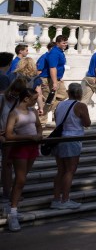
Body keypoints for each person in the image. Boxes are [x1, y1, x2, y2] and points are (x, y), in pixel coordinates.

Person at [4, 88, 41, 232]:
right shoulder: (14, 113)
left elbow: (38, 126)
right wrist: (29, 137)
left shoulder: (33, 112)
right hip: (20, 148)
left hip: (32, 147)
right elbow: (9, 134)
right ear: (26, 98)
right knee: (20, 180)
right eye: (33, 98)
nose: (35, 101)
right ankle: (12, 212)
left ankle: (12, 208)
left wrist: (38, 135)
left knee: (22, 179)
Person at [50, 83, 90, 210]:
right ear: (79, 93)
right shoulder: (81, 105)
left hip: (59, 138)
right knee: (70, 171)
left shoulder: (60, 105)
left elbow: (56, 120)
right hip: (72, 139)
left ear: (69, 92)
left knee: (61, 170)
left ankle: (56, 199)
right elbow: (87, 123)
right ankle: (65, 199)